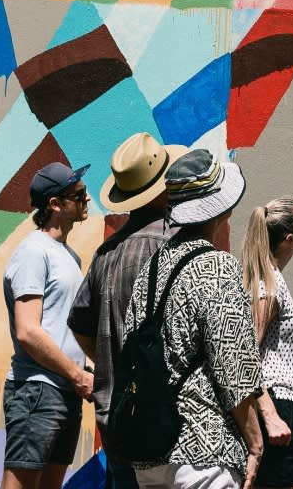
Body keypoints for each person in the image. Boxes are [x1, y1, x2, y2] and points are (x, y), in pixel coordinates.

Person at [126, 149, 266, 489]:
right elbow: (234, 365)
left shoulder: (151, 271)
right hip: (203, 449)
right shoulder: (218, 266)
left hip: (149, 450)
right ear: (222, 208)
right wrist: (255, 442)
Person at [71, 134, 189, 485]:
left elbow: (80, 324)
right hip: (169, 422)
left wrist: (113, 360)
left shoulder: (106, 254)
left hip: (117, 420)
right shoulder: (178, 247)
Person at [2, 162, 97, 489]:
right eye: (78, 195)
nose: (86, 199)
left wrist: (85, 370)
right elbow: (27, 331)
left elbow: (60, 327)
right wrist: (78, 376)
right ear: (55, 204)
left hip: (65, 389)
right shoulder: (33, 252)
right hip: (37, 390)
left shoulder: (69, 256)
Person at [240, 199, 293, 489]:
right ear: (290, 239)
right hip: (273, 402)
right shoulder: (267, 287)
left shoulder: (272, 279)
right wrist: (268, 413)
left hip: (281, 404)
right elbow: (247, 352)